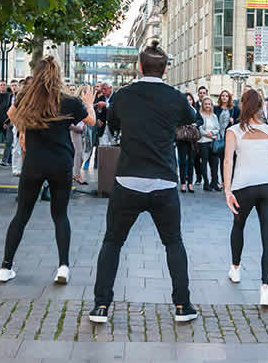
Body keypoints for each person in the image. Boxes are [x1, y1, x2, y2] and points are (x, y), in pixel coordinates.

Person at [90, 41, 199, 324]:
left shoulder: (124, 95)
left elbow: (113, 126)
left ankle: (101, 307)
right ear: (165, 69)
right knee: (174, 243)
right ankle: (182, 306)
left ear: (139, 67)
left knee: (112, 242)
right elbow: (194, 118)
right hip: (163, 181)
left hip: (128, 179)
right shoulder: (175, 97)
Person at [0, 56, 94, 285]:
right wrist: (88, 101)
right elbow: (90, 121)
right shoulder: (68, 100)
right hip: (61, 163)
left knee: (21, 215)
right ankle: (63, 267)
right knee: (60, 215)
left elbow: (11, 116)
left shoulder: (26, 97)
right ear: (57, 75)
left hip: (34, 161)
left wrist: (25, 130)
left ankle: (5, 267)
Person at [223, 89, 268, 306]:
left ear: (243, 105)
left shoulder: (233, 131)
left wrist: (227, 190)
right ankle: (266, 290)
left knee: (238, 225)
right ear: (261, 106)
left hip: (242, 187)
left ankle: (235, 269)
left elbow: (228, 162)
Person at [177, 92, 200, 194]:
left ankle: (190, 183)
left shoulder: (195, 110)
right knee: (182, 161)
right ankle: (182, 183)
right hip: (182, 138)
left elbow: (201, 120)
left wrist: (195, 124)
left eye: (190, 99)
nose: (188, 102)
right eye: (186, 100)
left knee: (191, 161)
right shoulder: (179, 110)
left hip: (192, 139)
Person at [197, 97, 222, 191]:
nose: (207, 106)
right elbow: (199, 128)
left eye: (209, 104)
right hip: (203, 142)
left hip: (213, 142)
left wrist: (212, 134)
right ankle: (206, 183)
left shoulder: (214, 116)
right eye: (206, 104)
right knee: (204, 163)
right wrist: (207, 134)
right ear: (202, 105)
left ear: (211, 105)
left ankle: (214, 183)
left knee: (215, 163)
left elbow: (217, 128)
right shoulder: (199, 115)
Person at [70, 85, 90, 185]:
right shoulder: (76, 102)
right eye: (86, 91)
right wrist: (74, 127)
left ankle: (75, 174)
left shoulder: (84, 102)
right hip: (75, 130)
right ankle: (77, 175)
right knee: (78, 153)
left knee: (81, 154)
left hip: (82, 129)